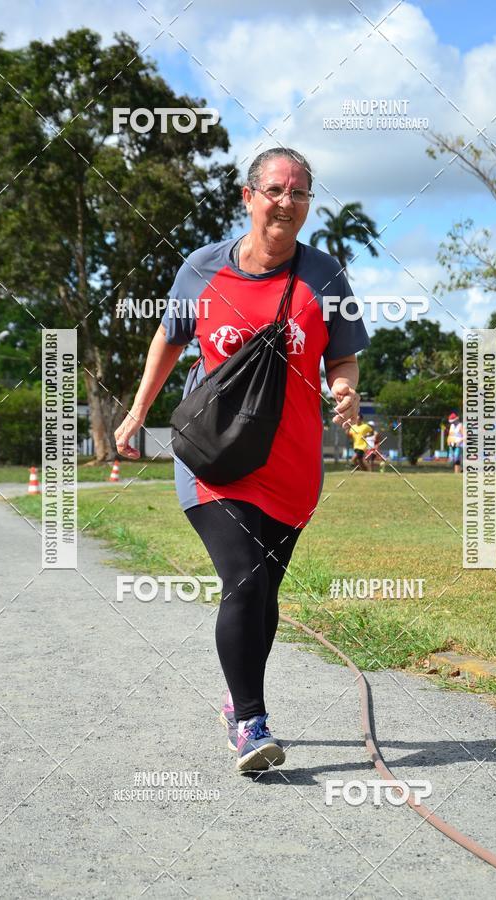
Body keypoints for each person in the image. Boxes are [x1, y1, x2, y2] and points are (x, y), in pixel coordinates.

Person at [114, 148, 369, 773]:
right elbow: (168, 339)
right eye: (276, 189)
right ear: (248, 196)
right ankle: (251, 724)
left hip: (291, 465)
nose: (288, 202)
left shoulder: (325, 276)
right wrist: (137, 411)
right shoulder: (202, 269)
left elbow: (342, 356)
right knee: (245, 579)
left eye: (300, 192)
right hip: (212, 455)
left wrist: (345, 390)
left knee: (265, 593)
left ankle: (238, 695)